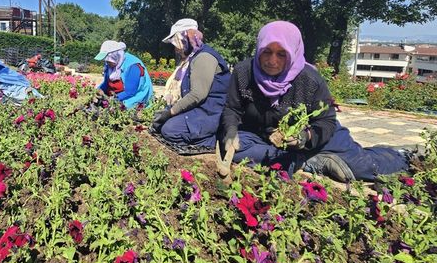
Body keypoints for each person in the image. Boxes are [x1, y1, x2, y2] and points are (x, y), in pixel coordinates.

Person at [219, 21, 409, 182]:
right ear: (258, 48)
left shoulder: (309, 79)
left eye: (281, 54)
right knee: (234, 148)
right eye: (266, 52)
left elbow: (326, 121)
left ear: (292, 53)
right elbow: (232, 109)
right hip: (262, 135)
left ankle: (401, 155)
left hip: (315, 136)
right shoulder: (244, 72)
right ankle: (308, 162)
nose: (272, 60)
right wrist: (231, 131)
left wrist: (304, 137)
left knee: (363, 169)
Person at [150, 18, 231, 155]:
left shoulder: (203, 57)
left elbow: (197, 94)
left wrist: (170, 113)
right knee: (162, 124)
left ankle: (211, 141)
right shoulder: (194, 56)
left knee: (169, 130)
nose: (176, 49)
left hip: (211, 113)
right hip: (201, 110)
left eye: (177, 44)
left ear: (186, 38)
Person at [94, 40, 154, 109]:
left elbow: (130, 92)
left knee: (119, 109)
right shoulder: (110, 65)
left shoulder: (133, 67)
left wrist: (111, 100)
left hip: (133, 99)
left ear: (116, 57)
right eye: (106, 61)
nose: (107, 64)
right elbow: (106, 83)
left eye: (109, 62)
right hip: (115, 97)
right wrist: (97, 91)